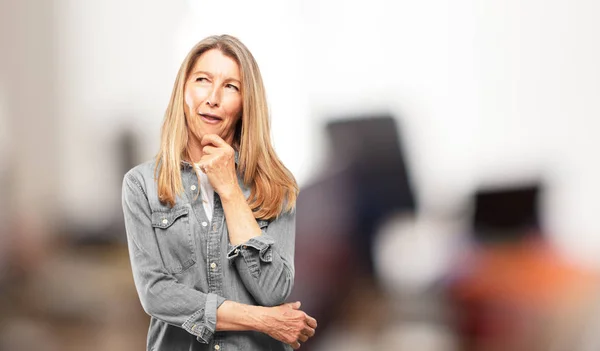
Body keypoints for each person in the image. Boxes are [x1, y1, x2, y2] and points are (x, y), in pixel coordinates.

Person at [121, 34, 317, 351]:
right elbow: (157, 294)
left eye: (231, 86)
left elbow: (274, 291)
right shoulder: (141, 184)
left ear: (244, 104)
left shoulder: (275, 185)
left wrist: (230, 190)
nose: (213, 97)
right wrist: (263, 320)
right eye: (202, 80)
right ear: (183, 90)